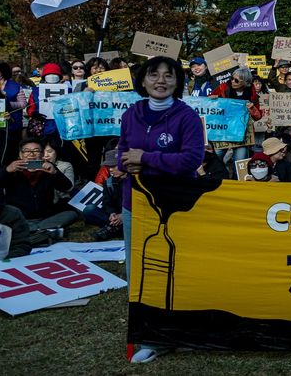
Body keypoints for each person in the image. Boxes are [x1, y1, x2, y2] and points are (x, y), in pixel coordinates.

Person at [116, 56, 204, 365]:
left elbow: (190, 160)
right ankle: (150, 335)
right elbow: (122, 155)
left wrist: (148, 159)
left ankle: (180, 331)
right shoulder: (131, 113)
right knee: (138, 270)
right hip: (136, 202)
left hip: (176, 204)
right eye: (154, 75)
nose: (161, 80)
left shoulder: (188, 116)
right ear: (143, 81)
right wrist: (133, 160)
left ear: (178, 82)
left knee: (177, 268)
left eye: (169, 75)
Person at [0, 139, 76, 241]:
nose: (31, 154)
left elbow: (67, 187)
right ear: (20, 154)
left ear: (42, 154)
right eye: (26, 151)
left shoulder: (48, 168)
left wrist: (55, 172)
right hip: (20, 218)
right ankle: (43, 233)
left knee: (71, 214)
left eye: (36, 151)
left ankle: (32, 232)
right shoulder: (11, 169)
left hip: (45, 217)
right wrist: (6, 171)